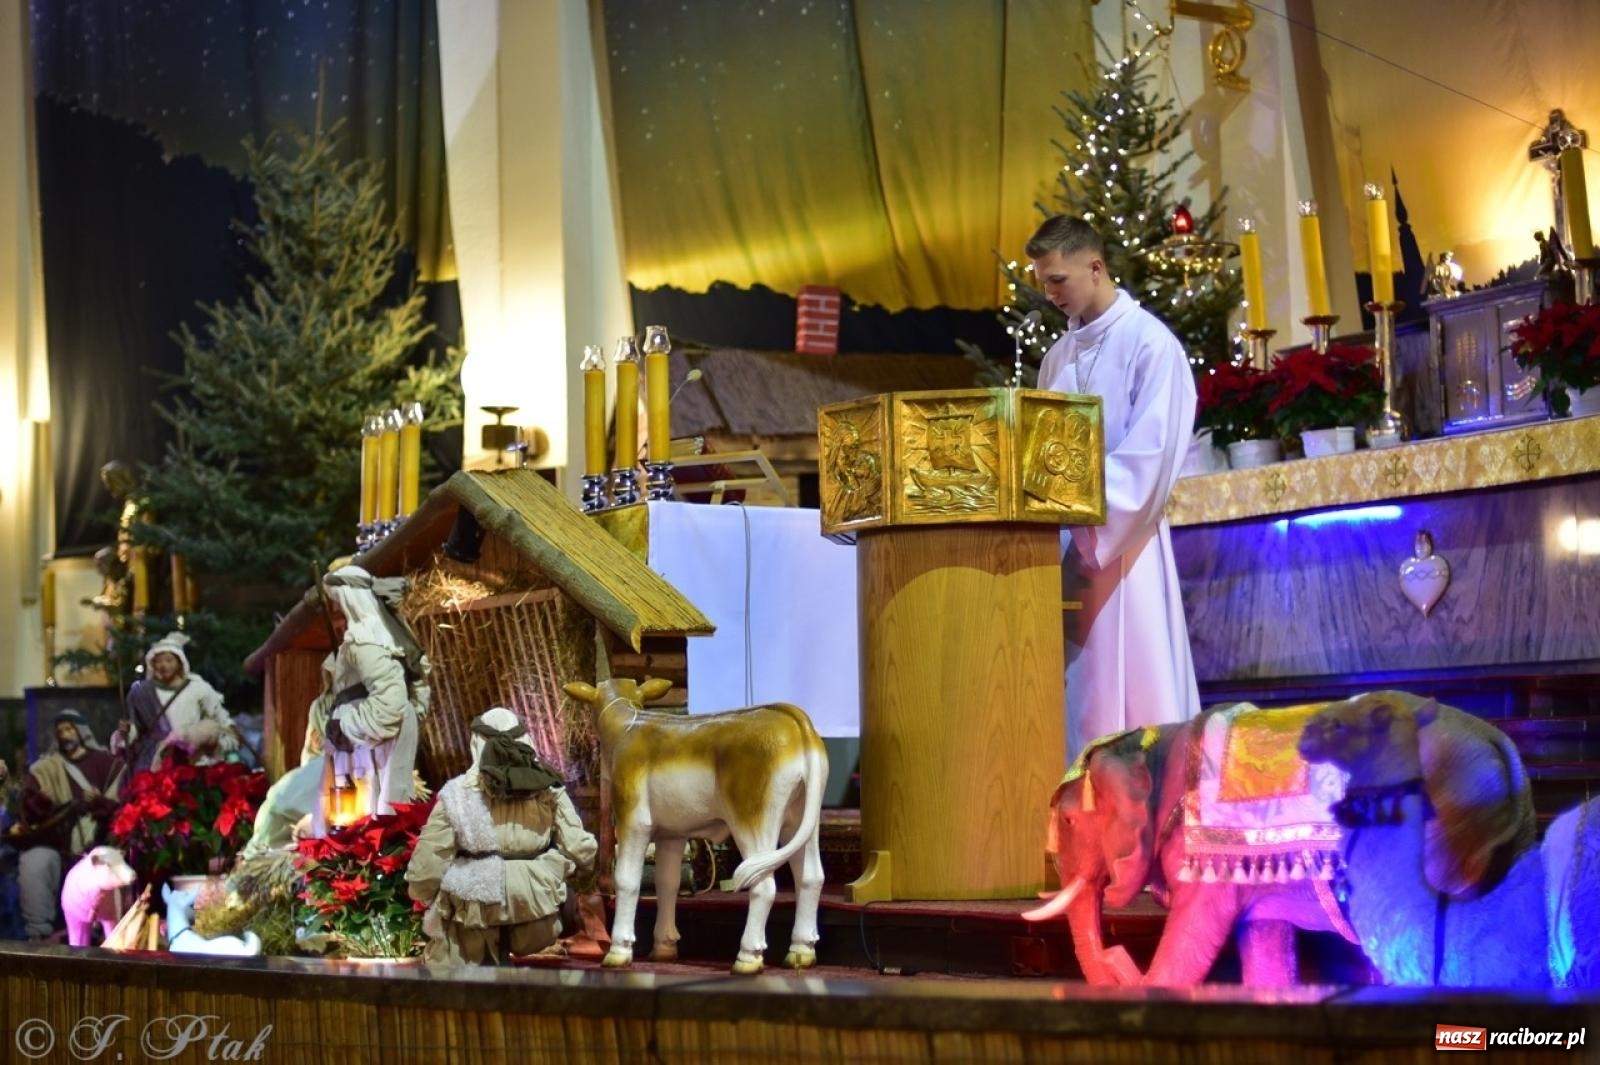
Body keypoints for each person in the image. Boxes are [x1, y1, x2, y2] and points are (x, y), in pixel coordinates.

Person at [1026, 215, 1202, 757]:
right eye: (1043, 282)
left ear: (1095, 267)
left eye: (1057, 280)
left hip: (1125, 551)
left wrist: (1088, 522)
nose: (1049, 293)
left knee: (1134, 705)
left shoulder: (1151, 345)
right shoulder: (1059, 356)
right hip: (1065, 554)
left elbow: (1151, 457)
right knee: (1074, 704)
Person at [405, 707, 597, 966]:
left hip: (475, 912)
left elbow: (428, 863)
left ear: (477, 744)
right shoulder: (549, 789)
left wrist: (423, 893)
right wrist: (565, 872)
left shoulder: (458, 793)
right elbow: (579, 847)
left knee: (450, 967)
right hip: (537, 910)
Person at [317, 565, 431, 829]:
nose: (336, 612)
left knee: (369, 807)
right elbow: (417, 691)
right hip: (368, 742)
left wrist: (347, 726)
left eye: (337, 603)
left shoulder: (365, 641)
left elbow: (390, 702)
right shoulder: (384, 637)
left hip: (367, 746)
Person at [11, 711, 126, 941]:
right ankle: (39, 936)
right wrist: (43, 801)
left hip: (98, 841)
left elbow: (122, 806)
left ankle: (108, 931)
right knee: (36, 861)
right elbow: (29, 809)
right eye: (60, 731)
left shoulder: (107, 764)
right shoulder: (46, 768)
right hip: (57, 842)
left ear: (81, 731)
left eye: (69, 729)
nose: (65, 735)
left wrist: (100, 802)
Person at [115, 631, 238, 773]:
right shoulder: (142, 693)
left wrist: (217, 742)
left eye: (168, 660)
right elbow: (137, 728)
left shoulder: (198, 688)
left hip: (192, 761)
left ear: (179, 662)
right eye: (159, 661)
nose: (163, 665)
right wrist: (126, 732)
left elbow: (221, 722)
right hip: (153, 763)